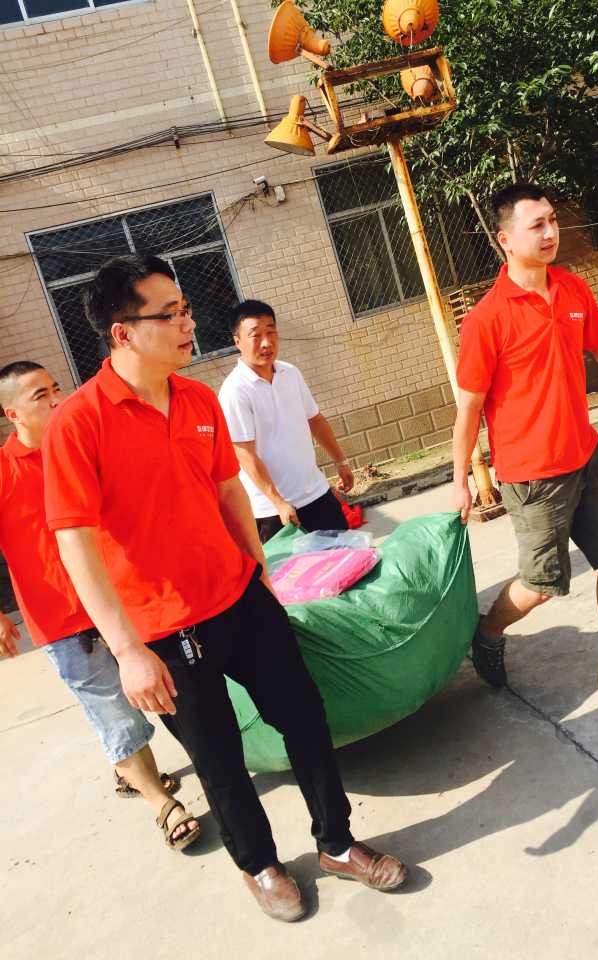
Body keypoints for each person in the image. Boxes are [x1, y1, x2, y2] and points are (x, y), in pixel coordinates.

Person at [42, 256, 407, 923]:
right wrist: (127, 651)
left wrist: (257, 568)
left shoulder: (198, 399)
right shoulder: (79, 423)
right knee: (219, 759)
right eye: (170, 314)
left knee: (304, 716)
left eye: (186, 309)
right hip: (164, 629)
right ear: (123, 332)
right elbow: (76, 545)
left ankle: (335, 842)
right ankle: (260, 865)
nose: (189, 323)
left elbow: (228, 490)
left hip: (240, 597)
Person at [452, 182, 598, 697]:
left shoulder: (572, 289)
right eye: (537, 225)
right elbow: (468, 407)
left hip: (586, 454)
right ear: (505, 239)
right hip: (533, 476)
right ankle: (488, 630)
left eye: (553, 221)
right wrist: (460, 480)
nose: (550, 232)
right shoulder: (486, 320)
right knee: (540, 585)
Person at [0, 360, 199, 850]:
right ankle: (161, 802)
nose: (56, 399)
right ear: (12, 414)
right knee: (114, 711)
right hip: (63, 621)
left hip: (126, 598)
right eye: (40, 395)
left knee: (166, 689)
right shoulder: (4, 472)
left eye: (56, 388)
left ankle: (135, 768)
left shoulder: (83, 445)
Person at [218, 300, 353, 544]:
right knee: (294, 570)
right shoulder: (235, 390)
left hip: (317, 494)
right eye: (256, 336)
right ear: (237, 341)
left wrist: (340, 461)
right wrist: (278, 501)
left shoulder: (290, 373)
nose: (266, 343)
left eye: (271, 332)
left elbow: (315, 420)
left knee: (349, 559)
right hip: (273, 511)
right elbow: (244, 453)